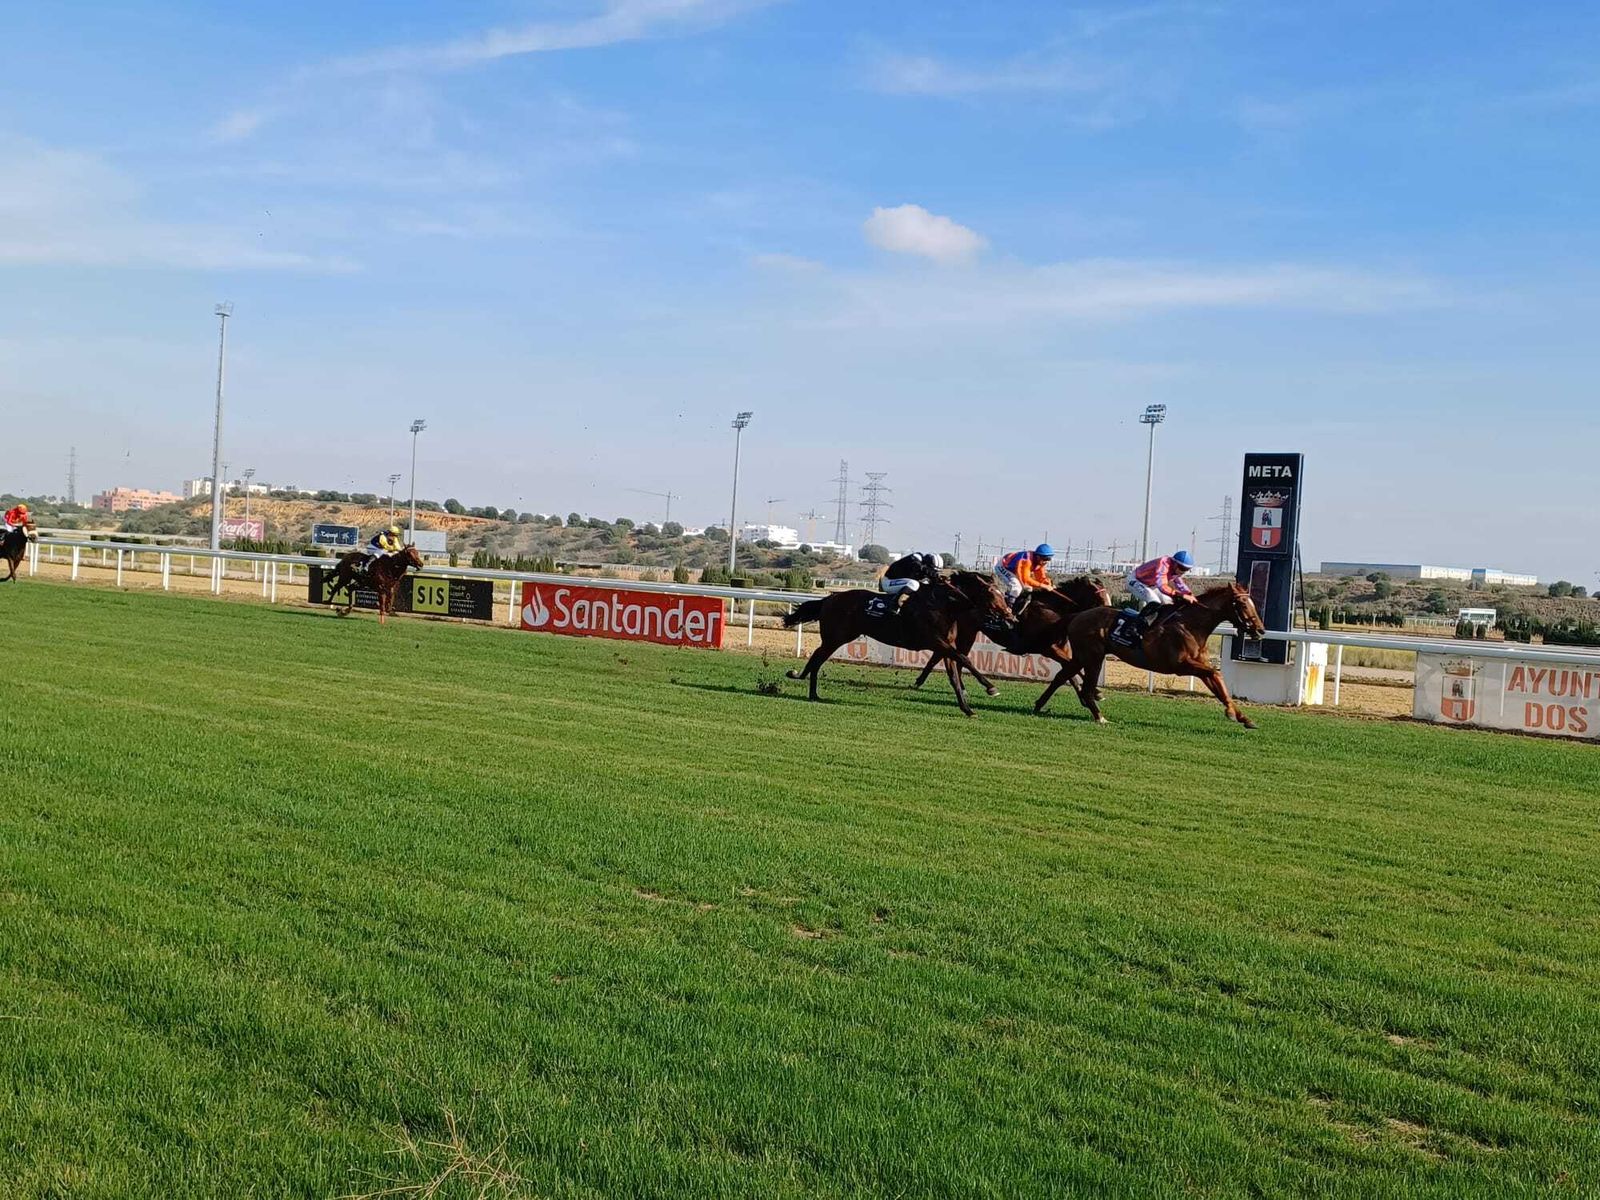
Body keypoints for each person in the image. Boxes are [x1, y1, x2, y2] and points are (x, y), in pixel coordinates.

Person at [1126, 549, 1198, 620]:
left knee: (1168, 602)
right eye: (1182, 568)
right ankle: (1135, 625)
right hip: (1135, 580)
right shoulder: (1163, 563)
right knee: (1155, 602)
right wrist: (1182, 595)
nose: (1183, 571)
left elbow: (1180, 584)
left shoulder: (1176, 570)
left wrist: (1189, 594)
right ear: (1175, 563)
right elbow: (1162, 586)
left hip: (1150, 586)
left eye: (1186, 569)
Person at [995, 543, 1054, 616]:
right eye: (1045, 559)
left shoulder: (1039, 562)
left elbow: (1040, 577)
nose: (1046, 562)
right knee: (1016, 587)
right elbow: (1026, 580)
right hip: (1003, 566)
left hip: (1016, 570)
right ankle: (1006, 609)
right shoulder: (1027, 561)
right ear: (1038, 556)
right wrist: (1044, 586)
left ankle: (1016, 610)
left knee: (1029, 589)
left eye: (1049, 559)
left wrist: (1048, 584)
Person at [879, 551, 943, 613]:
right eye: (932, 570)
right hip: (888, 582)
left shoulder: (923, 565)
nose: (933, 572)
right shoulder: (916, 557)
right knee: (914, 584)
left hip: (899, 583)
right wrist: (930, 572)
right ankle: (894, 606)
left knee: (924, 585)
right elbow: (916, 565)